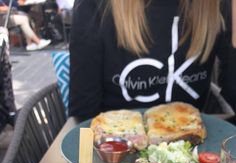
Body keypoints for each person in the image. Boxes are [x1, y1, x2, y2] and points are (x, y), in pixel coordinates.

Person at [69, 0, 236, 121]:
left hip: (197, 153)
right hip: (114, 155)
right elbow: (82, 117)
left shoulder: (217, 5)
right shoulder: (93, 6)